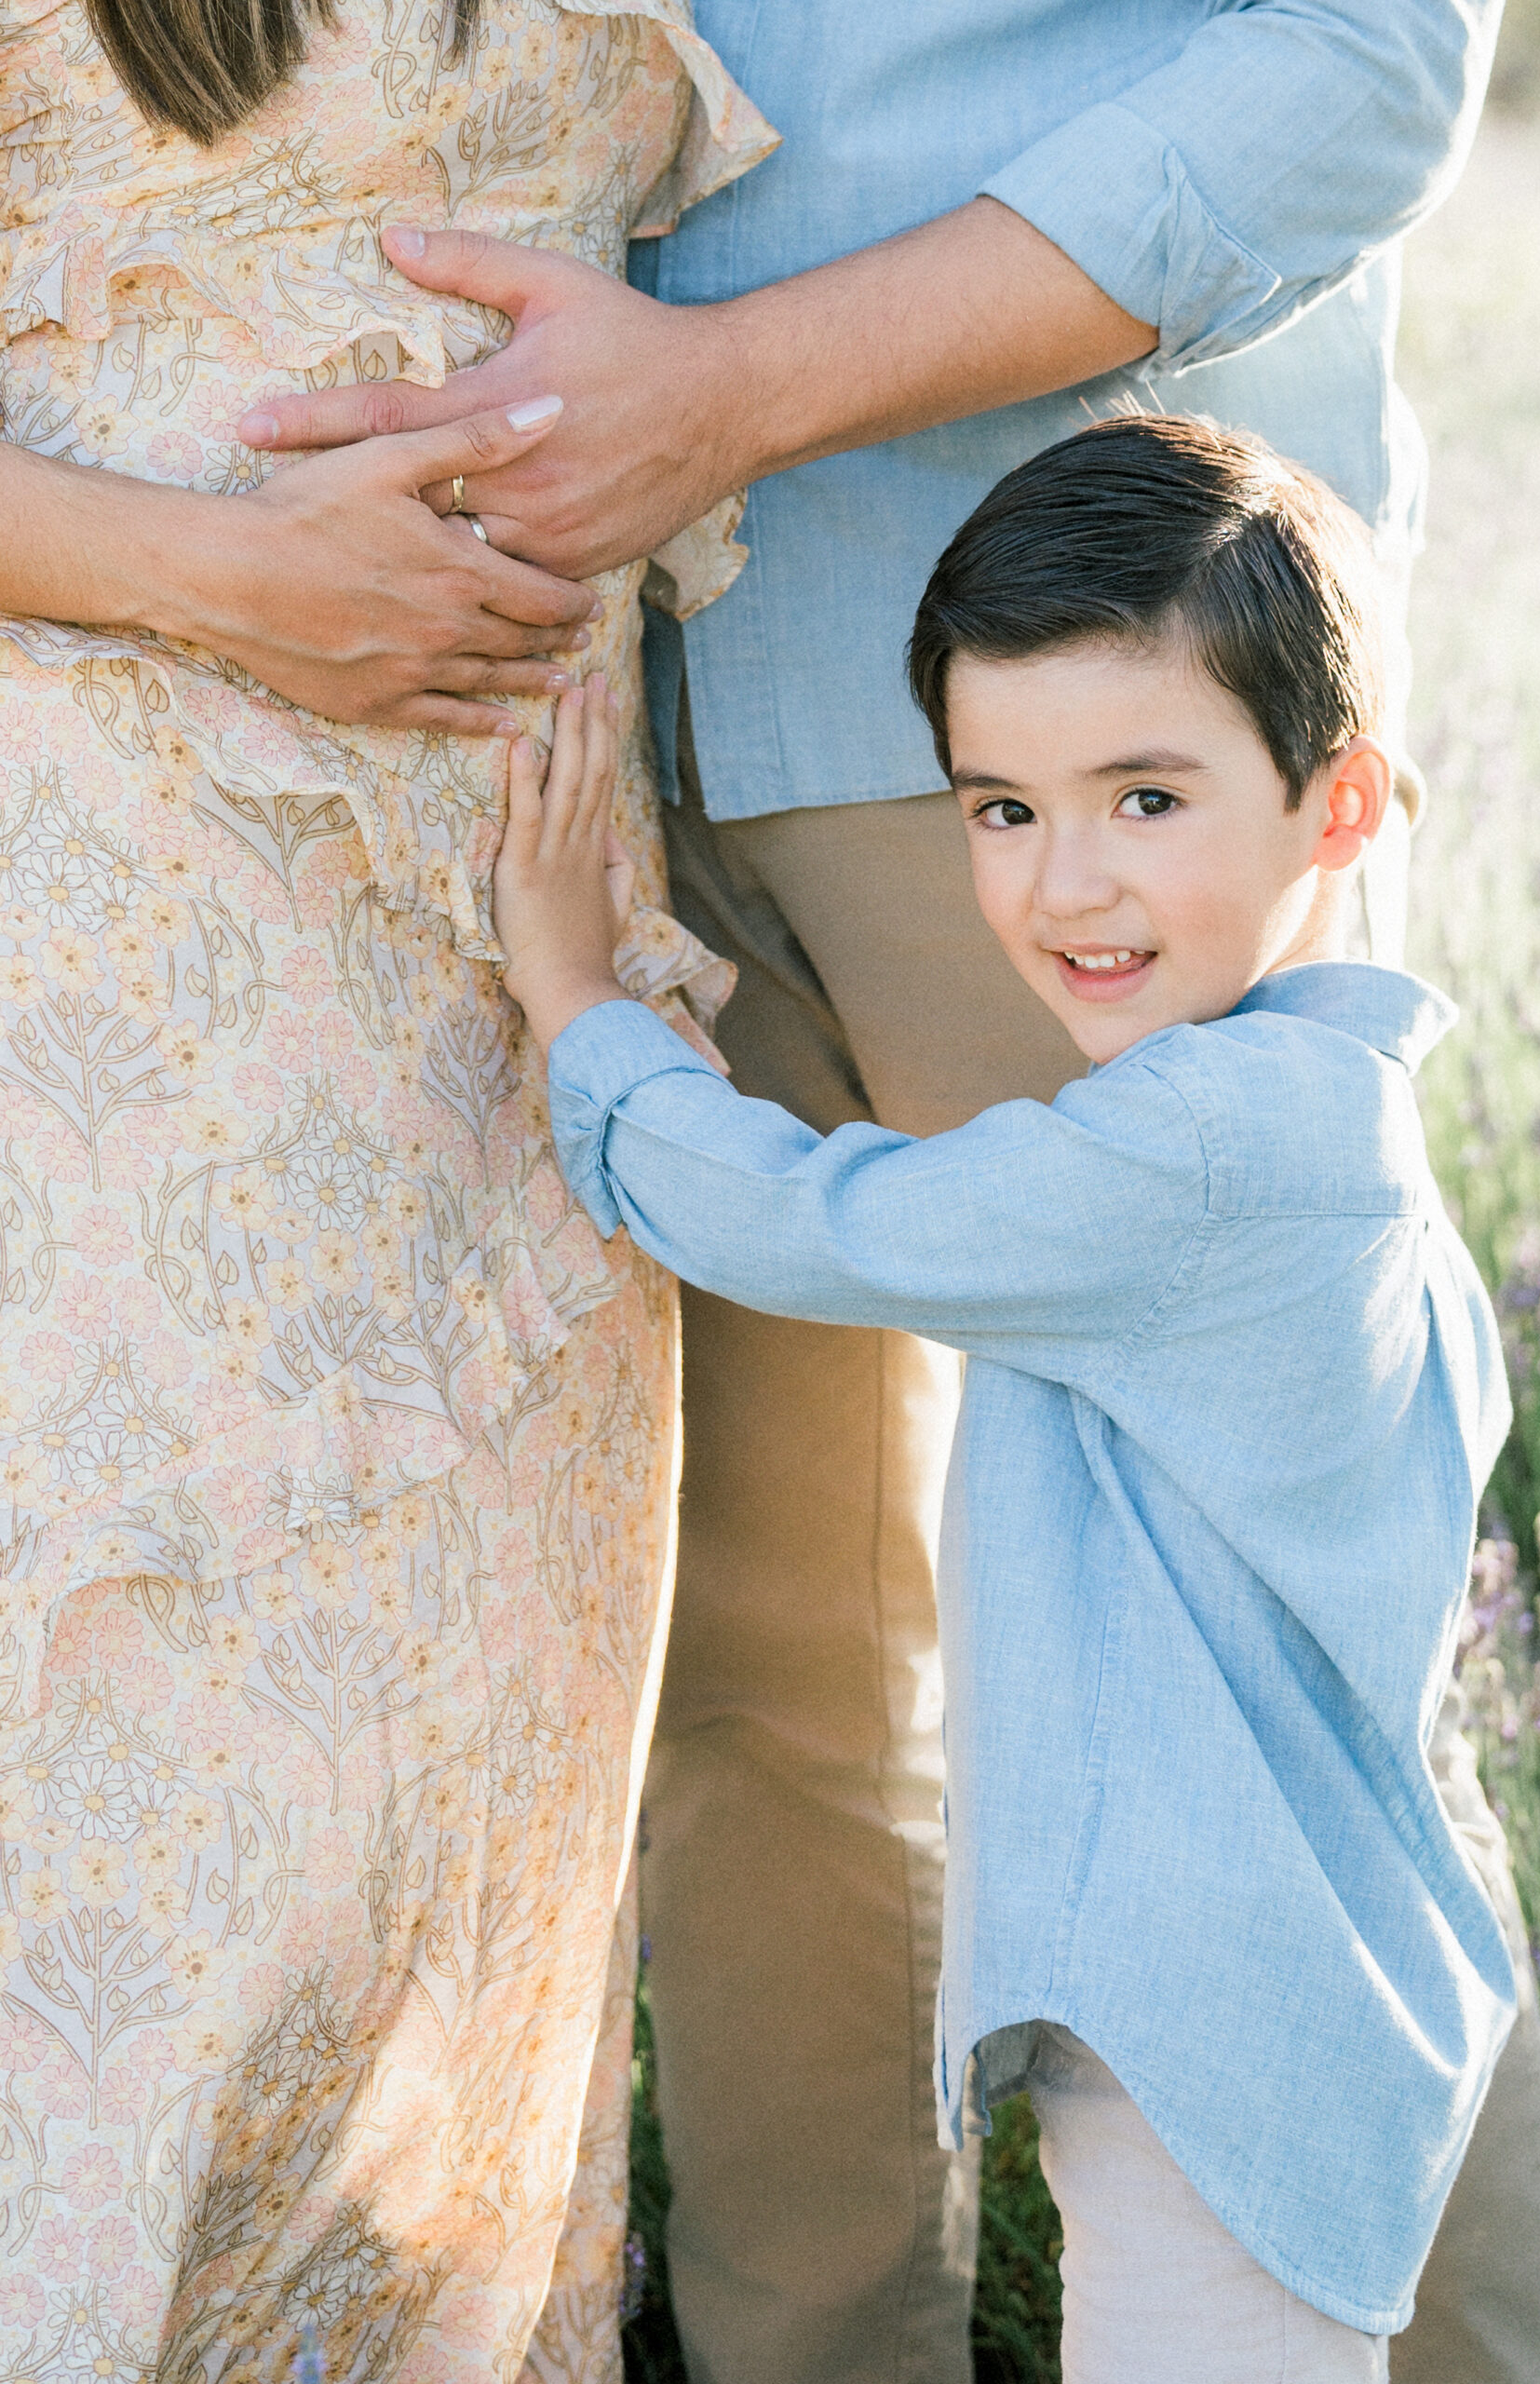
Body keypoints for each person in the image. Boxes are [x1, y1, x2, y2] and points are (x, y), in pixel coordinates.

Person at [245, 7, 1540, 2377]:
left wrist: (733, 385)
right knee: (759, 1697)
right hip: (575, 696)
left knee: (1272, 1666)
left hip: (1085, 714)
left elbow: (1371, 61)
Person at [490, 413, 1521, 2383]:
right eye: (995, 807)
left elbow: (828, 1226)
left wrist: (578, 1011)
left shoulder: (1204, 1154)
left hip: (1218, 2006)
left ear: (1339, 806)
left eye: (1144, 796)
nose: (1064, 884)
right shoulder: (1311, 1101)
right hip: (1257, 1983)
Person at [0, 2, 771, 2377]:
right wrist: (220, 576)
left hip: (512, 1000)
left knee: (446, 1894)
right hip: (137, 994)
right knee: (131, 1872)